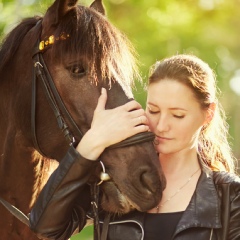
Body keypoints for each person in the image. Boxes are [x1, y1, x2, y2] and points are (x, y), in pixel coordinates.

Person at [29, 54, 240, 240]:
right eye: (154, 110)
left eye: (178, 115)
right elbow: (45, 228)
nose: (161, 125)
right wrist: (92, 142)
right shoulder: (115, 179)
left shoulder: (230, 195)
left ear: (208, 114)